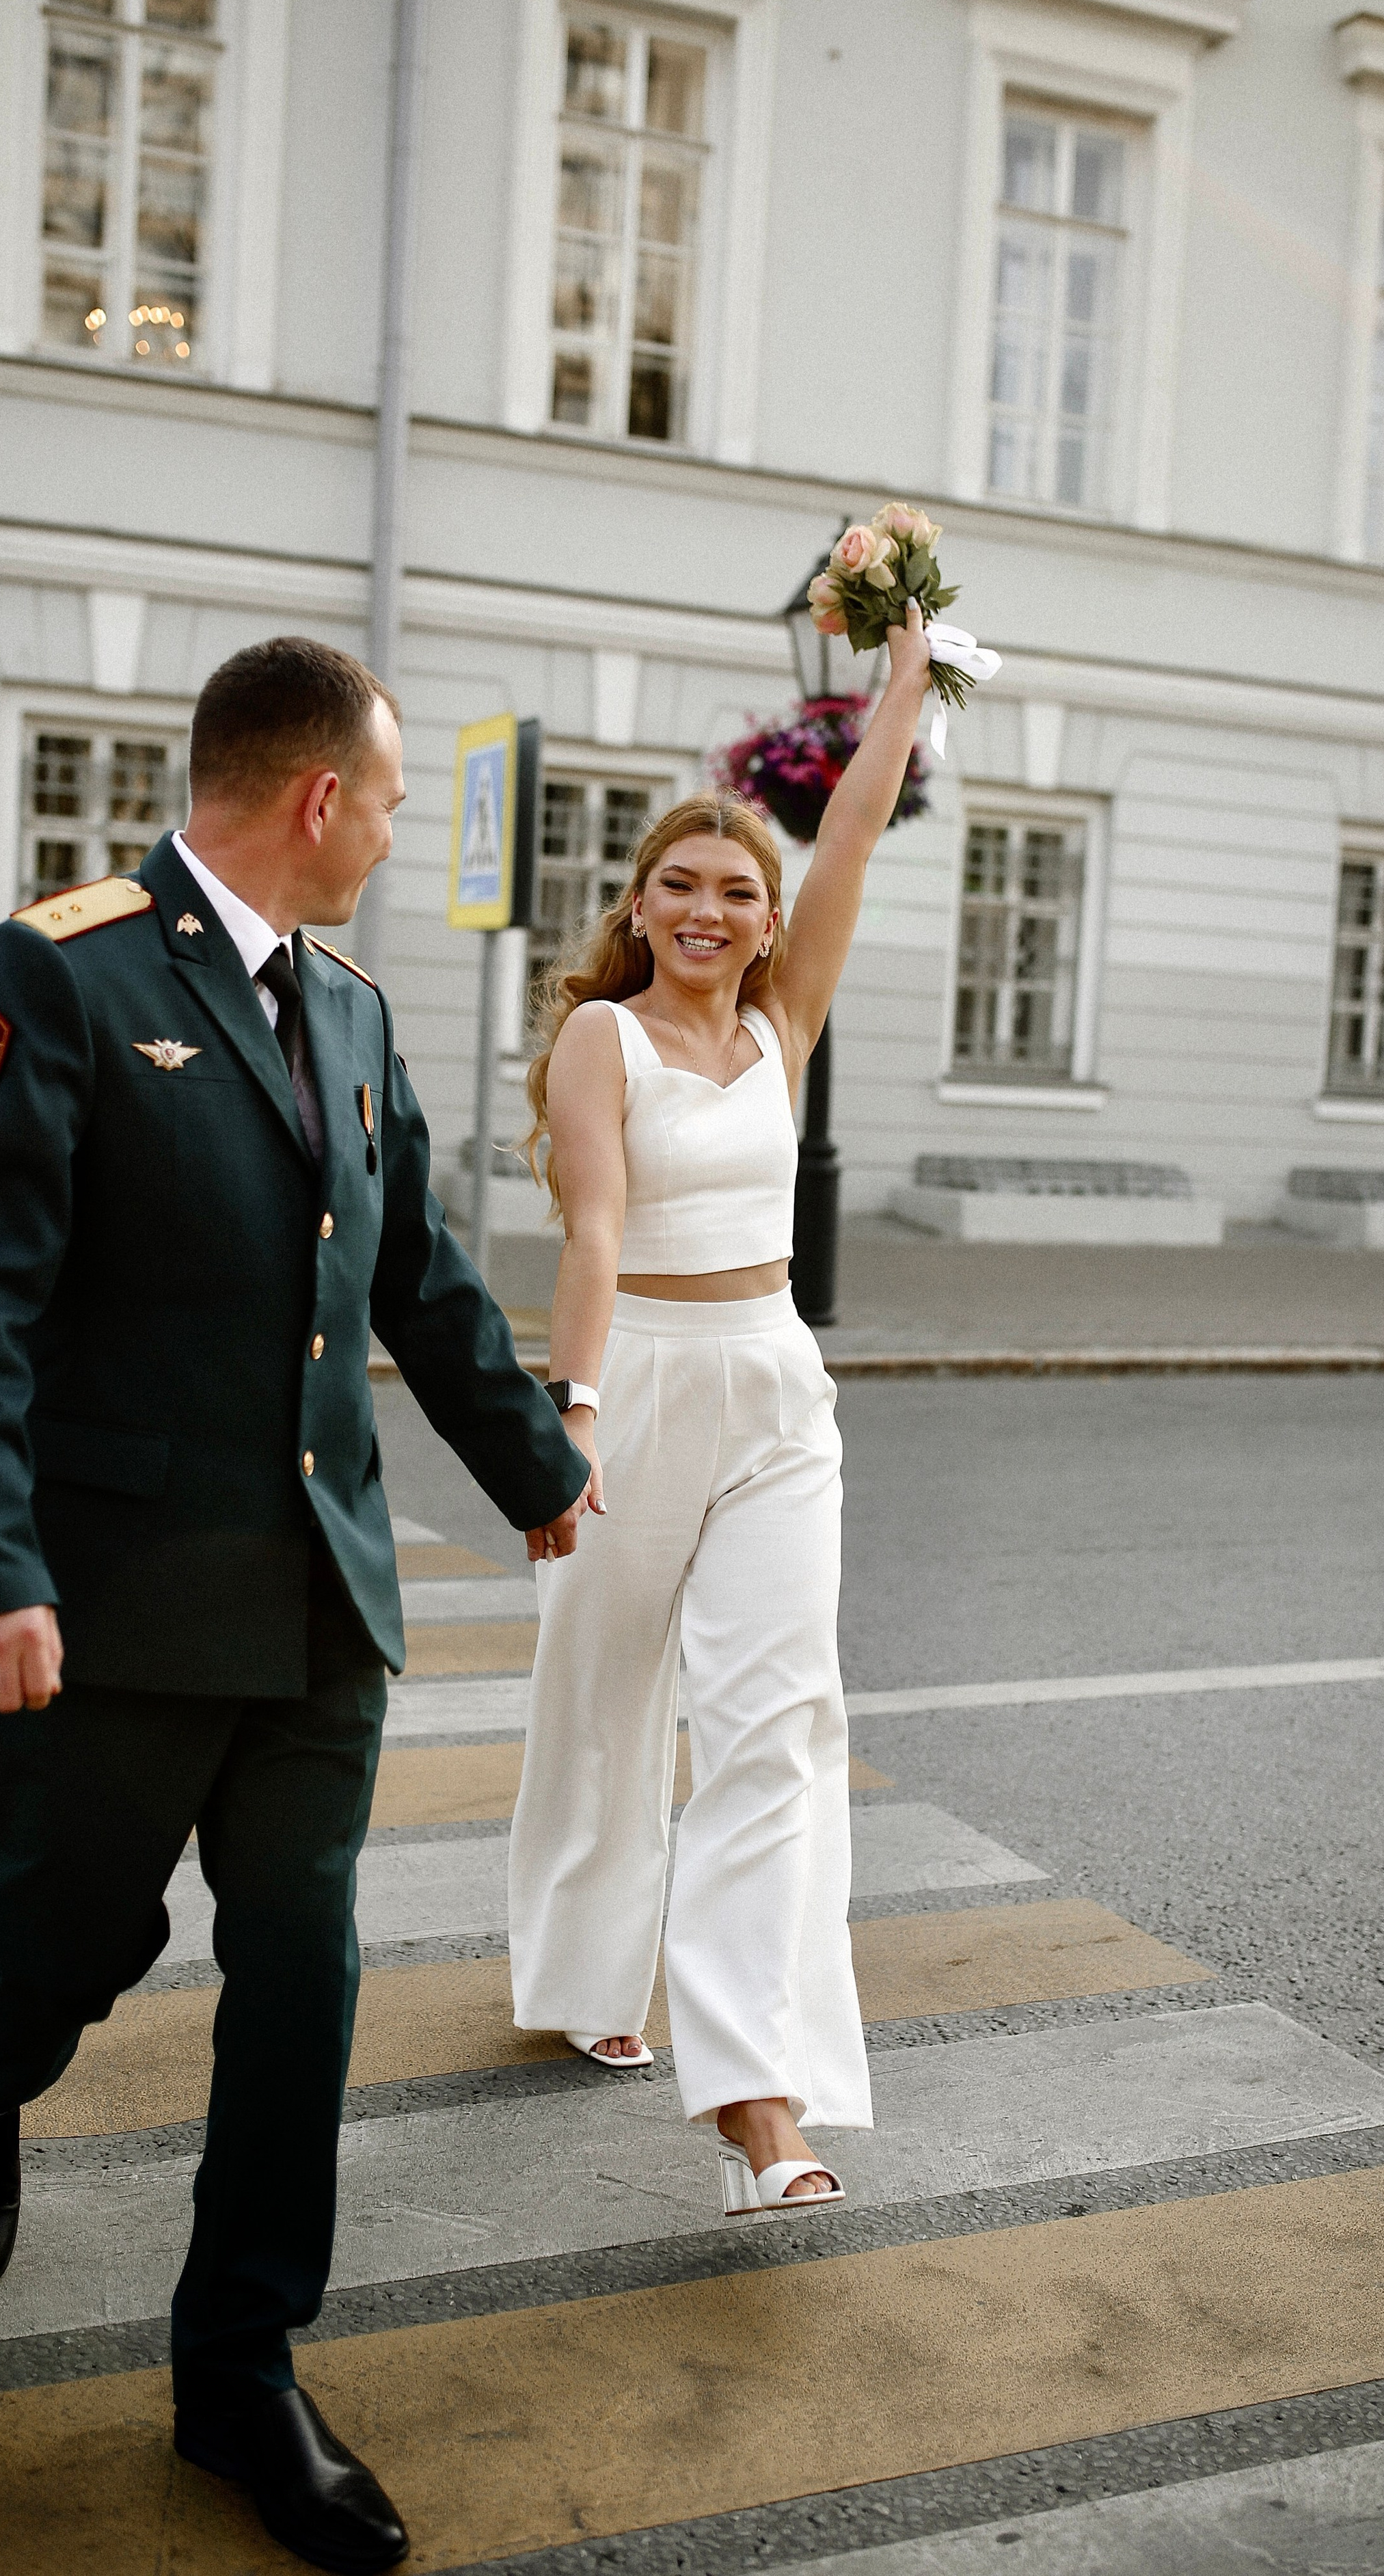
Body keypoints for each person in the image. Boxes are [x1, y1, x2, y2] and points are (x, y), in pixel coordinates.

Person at [0, 636, 589, 2576]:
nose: (386, 835)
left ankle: (241, 2375)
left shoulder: (349, 1009)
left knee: (306, 1980)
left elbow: (425, 1279)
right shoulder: (63, 969)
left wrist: (542, 1474)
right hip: (105, 1613)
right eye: (385, 798)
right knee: (69, 1942)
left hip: (312, 1615)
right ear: (319, 799)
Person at [507, 602, 933, 2214]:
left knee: (775, 1729)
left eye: (735, 890)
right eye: (677, 883)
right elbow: (596, 1230)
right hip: (638, 1388)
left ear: (764, 926)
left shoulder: (781, 1023)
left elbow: (854, 840)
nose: (708, 907)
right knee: (602, 1703)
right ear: (638, 905)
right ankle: (579, 1973)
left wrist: (900, 684)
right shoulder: (597, 1039)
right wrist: (576, 1411)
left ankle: (758, 2102)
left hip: (771, 1387)